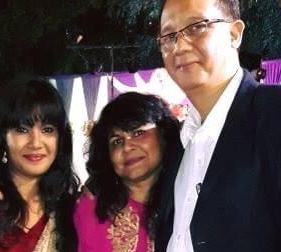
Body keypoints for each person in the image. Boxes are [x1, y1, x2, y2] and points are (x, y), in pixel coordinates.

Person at [156, 0, 281, 251]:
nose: (179, 45)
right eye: (169, 36)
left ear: (234, 34)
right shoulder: (179, 143)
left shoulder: (272, 114)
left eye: (196, 26)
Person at [0, 78, 80, 251]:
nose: (36, 143)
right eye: (22, 130)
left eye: (47, 130)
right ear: (3, 138)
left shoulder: (67, 209)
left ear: (61, 140)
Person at [74, 92, 179, 252]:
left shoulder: (188, 197)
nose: (127, 147)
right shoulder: (91, 209)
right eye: (116, 141)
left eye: (138, 133)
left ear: (163, 135)